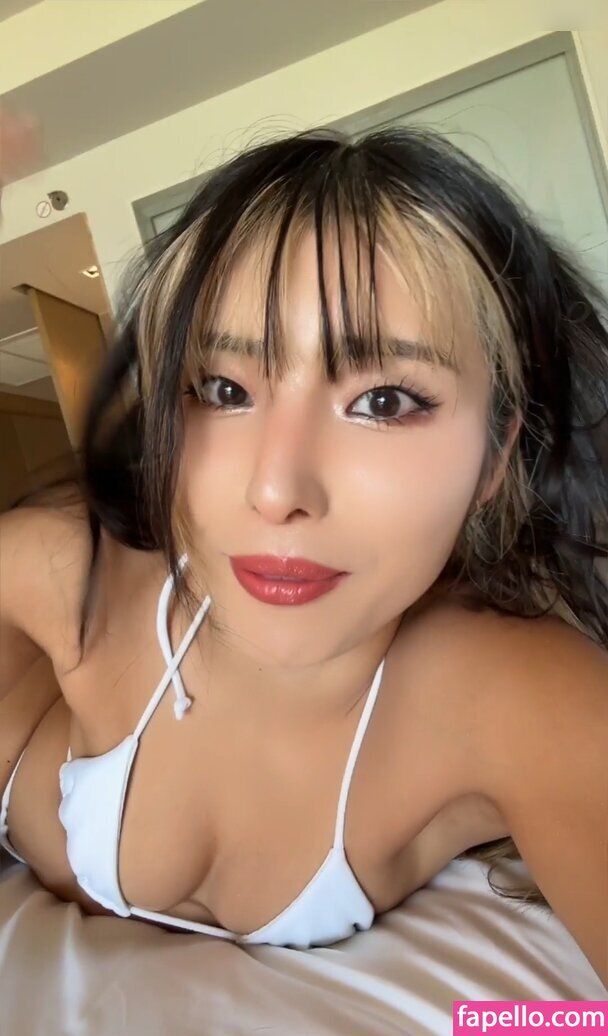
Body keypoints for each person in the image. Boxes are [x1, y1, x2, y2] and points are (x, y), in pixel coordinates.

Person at [0, 111, 607, 982]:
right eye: (222, 388)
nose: (275, 490)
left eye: (386, 401)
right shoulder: (68, 572)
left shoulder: (526, 700)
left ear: (495, 457)